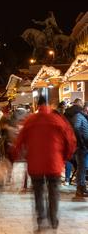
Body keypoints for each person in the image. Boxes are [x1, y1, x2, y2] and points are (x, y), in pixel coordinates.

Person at [14, 96, 76, 231]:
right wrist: (65, 158)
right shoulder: (58, 119)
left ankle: (41, 219)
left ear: (37, 105)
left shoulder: (30, 120)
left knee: (38, 192)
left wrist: (15, 156)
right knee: (54, 191)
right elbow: (70, 140)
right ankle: (53, 219)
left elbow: (19, 142)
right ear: (48, 104)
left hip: (35, 165)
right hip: (54, 163)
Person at [64, 97, 88, 199]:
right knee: (81, 167)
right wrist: (81, 141)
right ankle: (80, 188)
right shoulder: (78, 116)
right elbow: (77, 128)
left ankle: (82, 187)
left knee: (82, 167)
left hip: (83, 145)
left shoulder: (82, 115)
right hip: (81, 146)